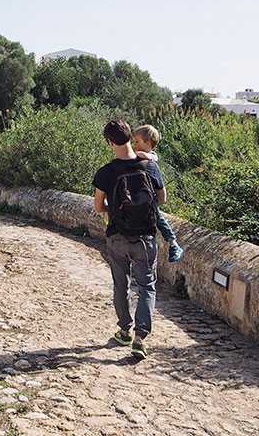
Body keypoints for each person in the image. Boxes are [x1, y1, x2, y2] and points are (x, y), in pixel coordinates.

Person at [92, 119, 166, 359]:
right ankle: (140, 338)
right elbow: (161, 199)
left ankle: (124, 330)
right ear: (129, 137)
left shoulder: (105, 172)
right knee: (146, 287)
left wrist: (115, 206)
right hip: (145, 237)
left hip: (117, 237)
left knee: (121, 285)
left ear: (110, 142)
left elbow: (98, 208)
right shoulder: (150, 166)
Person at [132, 124, 183, 263]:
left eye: (137, 141)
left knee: (159, 218)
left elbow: (143, 155)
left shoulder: (151, 157)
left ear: (148, 143)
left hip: (149, 199)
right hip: (142, 199)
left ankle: (173, 242)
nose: (134, 144)